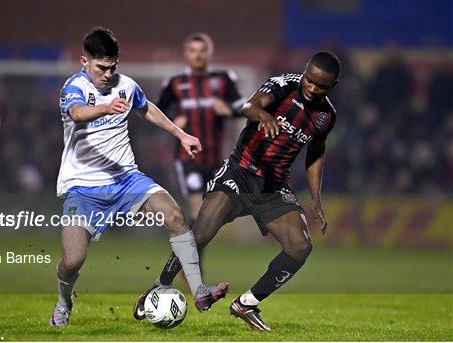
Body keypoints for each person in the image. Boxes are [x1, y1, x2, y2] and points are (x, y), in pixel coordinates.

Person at [134, 51, 341, 331]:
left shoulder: (326, 116)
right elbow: (248, 106)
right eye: (310, 80)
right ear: (305, 72)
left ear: (332, 86)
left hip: (273, 187)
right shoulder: (283, 86)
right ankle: (159, 286)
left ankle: (247, 303)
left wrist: (316, 198)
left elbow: (316, 154)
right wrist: (264, 115)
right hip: (239, 173)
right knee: (200, 235)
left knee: (300, 247)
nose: (313, 88)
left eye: (321, 86)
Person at [50, 27, 228, 326]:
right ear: (84, 62)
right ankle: (63, 302)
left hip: (127, 179)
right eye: (101, 67)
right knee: (73, 261)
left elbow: (146, 109)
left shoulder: (126, 85)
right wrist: (105, 108)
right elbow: (77, 113)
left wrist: (181, 134)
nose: (108, 74)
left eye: (113, 67)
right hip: (83, 187)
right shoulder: (74, 87)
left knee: (175, 216)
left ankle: (199, 290)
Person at [158, 32, 244, 224]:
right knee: (197, 211)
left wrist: (228, 110)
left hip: (217, 159)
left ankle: (190, 249)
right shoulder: (175, 83)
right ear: (186, 54)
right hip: (187, 157)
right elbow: (155, 111)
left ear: (210, 53)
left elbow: (243, 107)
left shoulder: (223, 79)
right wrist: (173, 120)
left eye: (202, 50)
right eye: (193, 50)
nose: (198, 55)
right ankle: (190, 254)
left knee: (214, 214)